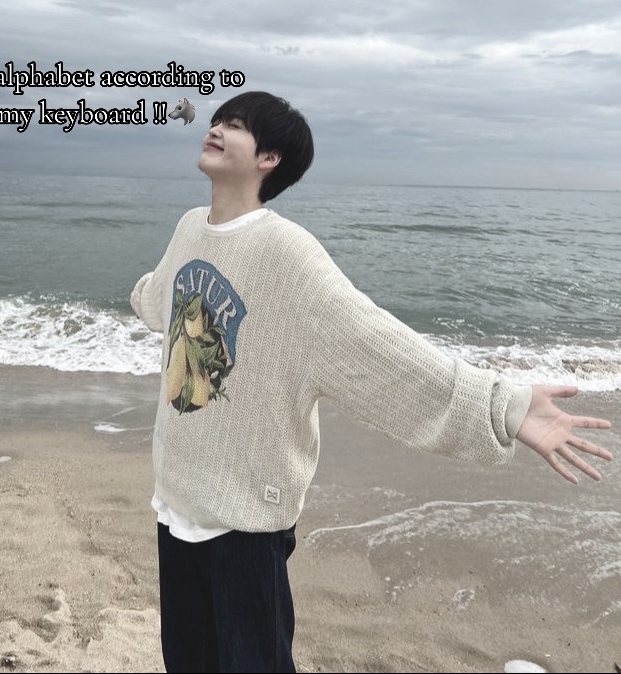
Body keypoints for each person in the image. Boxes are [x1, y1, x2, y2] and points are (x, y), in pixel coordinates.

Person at [131, 91, 612, 674]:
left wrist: (506, 407)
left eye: (235, 124)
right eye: (216, 119)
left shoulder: (288, 254)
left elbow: (378, 350)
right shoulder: (189, 227)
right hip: (176, 496)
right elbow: (164, 296)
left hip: (243, 518)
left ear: (269, 158)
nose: (215, 128)